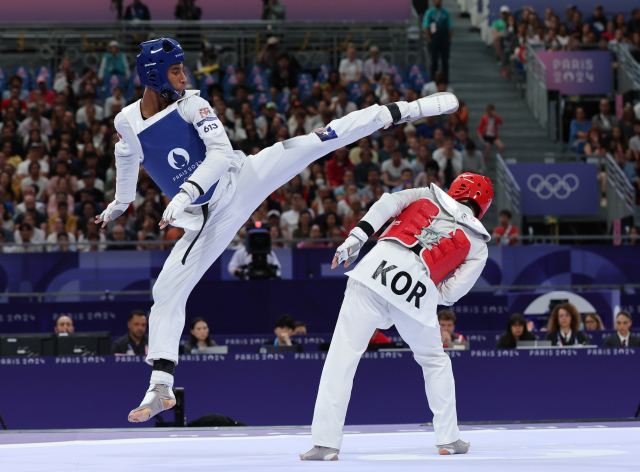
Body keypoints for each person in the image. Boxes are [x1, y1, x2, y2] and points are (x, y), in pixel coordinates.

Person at [96, 37, 459, 424]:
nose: (184, 76)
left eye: (183, 68)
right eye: (175, 70)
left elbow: (220, 154)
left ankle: (407, 109)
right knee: (166, 289)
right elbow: (127, 155)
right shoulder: (126, 120)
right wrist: (120, 203)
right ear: (153, 75)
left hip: (242, 180)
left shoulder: (193, 104)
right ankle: (161, 385)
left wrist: (184, 192)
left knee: (319, 140)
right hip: (207, 220)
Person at [301, 173, 492, 460]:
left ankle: (325, 444)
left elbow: (387, 203)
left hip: (373, 268)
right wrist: (425, 291)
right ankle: (449, 440)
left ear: (455, 187)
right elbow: (452, 293)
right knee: (434, 361)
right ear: (484, 205)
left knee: (342, 356)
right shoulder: (479, 244)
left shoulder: (425, 194)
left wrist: (357, 236)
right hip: (417, 287)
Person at [423, 0, 453, 83]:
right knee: (434, 62)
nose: (437, 1)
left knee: (445, 62)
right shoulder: (430, 12)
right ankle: (433, 80)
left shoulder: (446, 13)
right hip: (434, 39)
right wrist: (429, 38)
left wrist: (449, 39)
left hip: (444, 39)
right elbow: (425, 27)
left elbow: (450, 27)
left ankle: (445, 80)